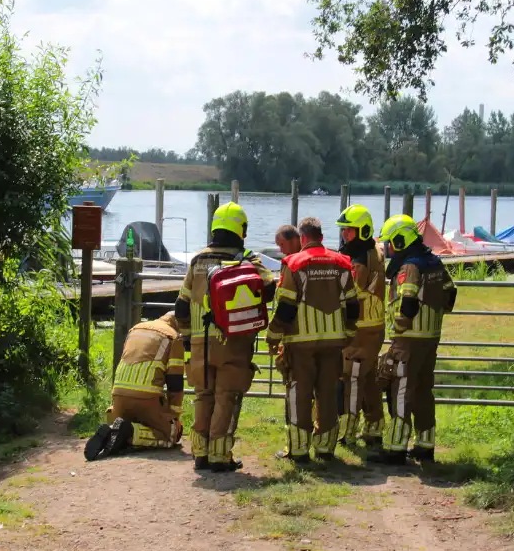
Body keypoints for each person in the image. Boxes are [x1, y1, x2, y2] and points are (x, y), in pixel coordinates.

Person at [175, 202, 276, 473]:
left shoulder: (196, 261)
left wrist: (187, 339)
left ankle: (200, 453)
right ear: (240, 229)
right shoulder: (248, 260)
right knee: (226, 396)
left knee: (203, 395)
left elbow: (181, 307)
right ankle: (220, 455)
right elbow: (269, 288)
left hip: (199, 343)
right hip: (233, 341)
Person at [267, 217, 359, 463]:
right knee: (328, 394)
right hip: (333, 342)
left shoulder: (294, 263)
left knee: (299, 393)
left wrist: (273, 336)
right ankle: (326, 448)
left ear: (303, 238)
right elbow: (352, 303)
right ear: (321, 236)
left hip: (301, 343)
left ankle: (298, 450)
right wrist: (349, 333)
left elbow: (286, 306)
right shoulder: (342, 262)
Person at [370, 216, 457, 465]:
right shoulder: (435, 262)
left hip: (408, 340)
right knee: (423, 392)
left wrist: (399, 328)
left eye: (390, 243)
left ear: (400, 240)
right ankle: (425, 445)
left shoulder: (410, 267)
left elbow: (407, 303)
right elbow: (451, 294)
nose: (389, 249)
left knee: (400, 392)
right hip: (431, 338)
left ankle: (395, 448)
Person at [85, 312, 185, 460]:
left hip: (118, 398)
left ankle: (113, 429)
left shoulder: (135, 330)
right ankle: (130, 432)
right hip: (146, 399)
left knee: (132, 419)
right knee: (171, 436)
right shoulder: (174, 338)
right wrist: (174, 418)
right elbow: (175, 384)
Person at [335, 205, 387, 447]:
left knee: (351, 378)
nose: (345, 235)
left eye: (349, 231)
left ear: (363, 231)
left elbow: (347, 292)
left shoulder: (358, 261)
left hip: (360, 328)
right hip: (373, 326)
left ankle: (347, 431)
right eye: (344, 230)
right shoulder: (374, 248)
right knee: (367, 379)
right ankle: (374, 426)